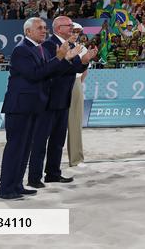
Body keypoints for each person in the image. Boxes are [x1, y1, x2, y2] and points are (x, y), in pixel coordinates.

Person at [0, 18, 87, 200]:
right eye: (40, 28)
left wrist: (65, 59)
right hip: (20, 107)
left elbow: (48, 71)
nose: (44, 31)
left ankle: (17, 185)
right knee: (15, 148)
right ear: (28, 32)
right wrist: (60, 57)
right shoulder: (21, 50)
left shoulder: (38, 48)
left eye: (45, 28)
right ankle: (5, 188)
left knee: (25, 148)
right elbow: (35, 75)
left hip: (33, 106)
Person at [27, 15, 97, 189]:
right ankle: (35, 177)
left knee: (58, 139)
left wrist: (84, 61)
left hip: (64, 98)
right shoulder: (48, 45)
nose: (72, 28)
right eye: (69, 25)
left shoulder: (71, 45)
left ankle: (53, 173)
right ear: (59, 28)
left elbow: (73, 69)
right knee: (41, 140)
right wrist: (65, 58)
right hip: (49, 99)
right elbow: (51, 70)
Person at [68, 23, 88, 168]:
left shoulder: (82, 49)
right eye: (73, 31)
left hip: (75, 82)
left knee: (75, 123)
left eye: (77, 32)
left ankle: (76, 159)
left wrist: (77, 84)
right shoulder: (57, 46)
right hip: (57, 83)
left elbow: (85, 70)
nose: (75, 34)